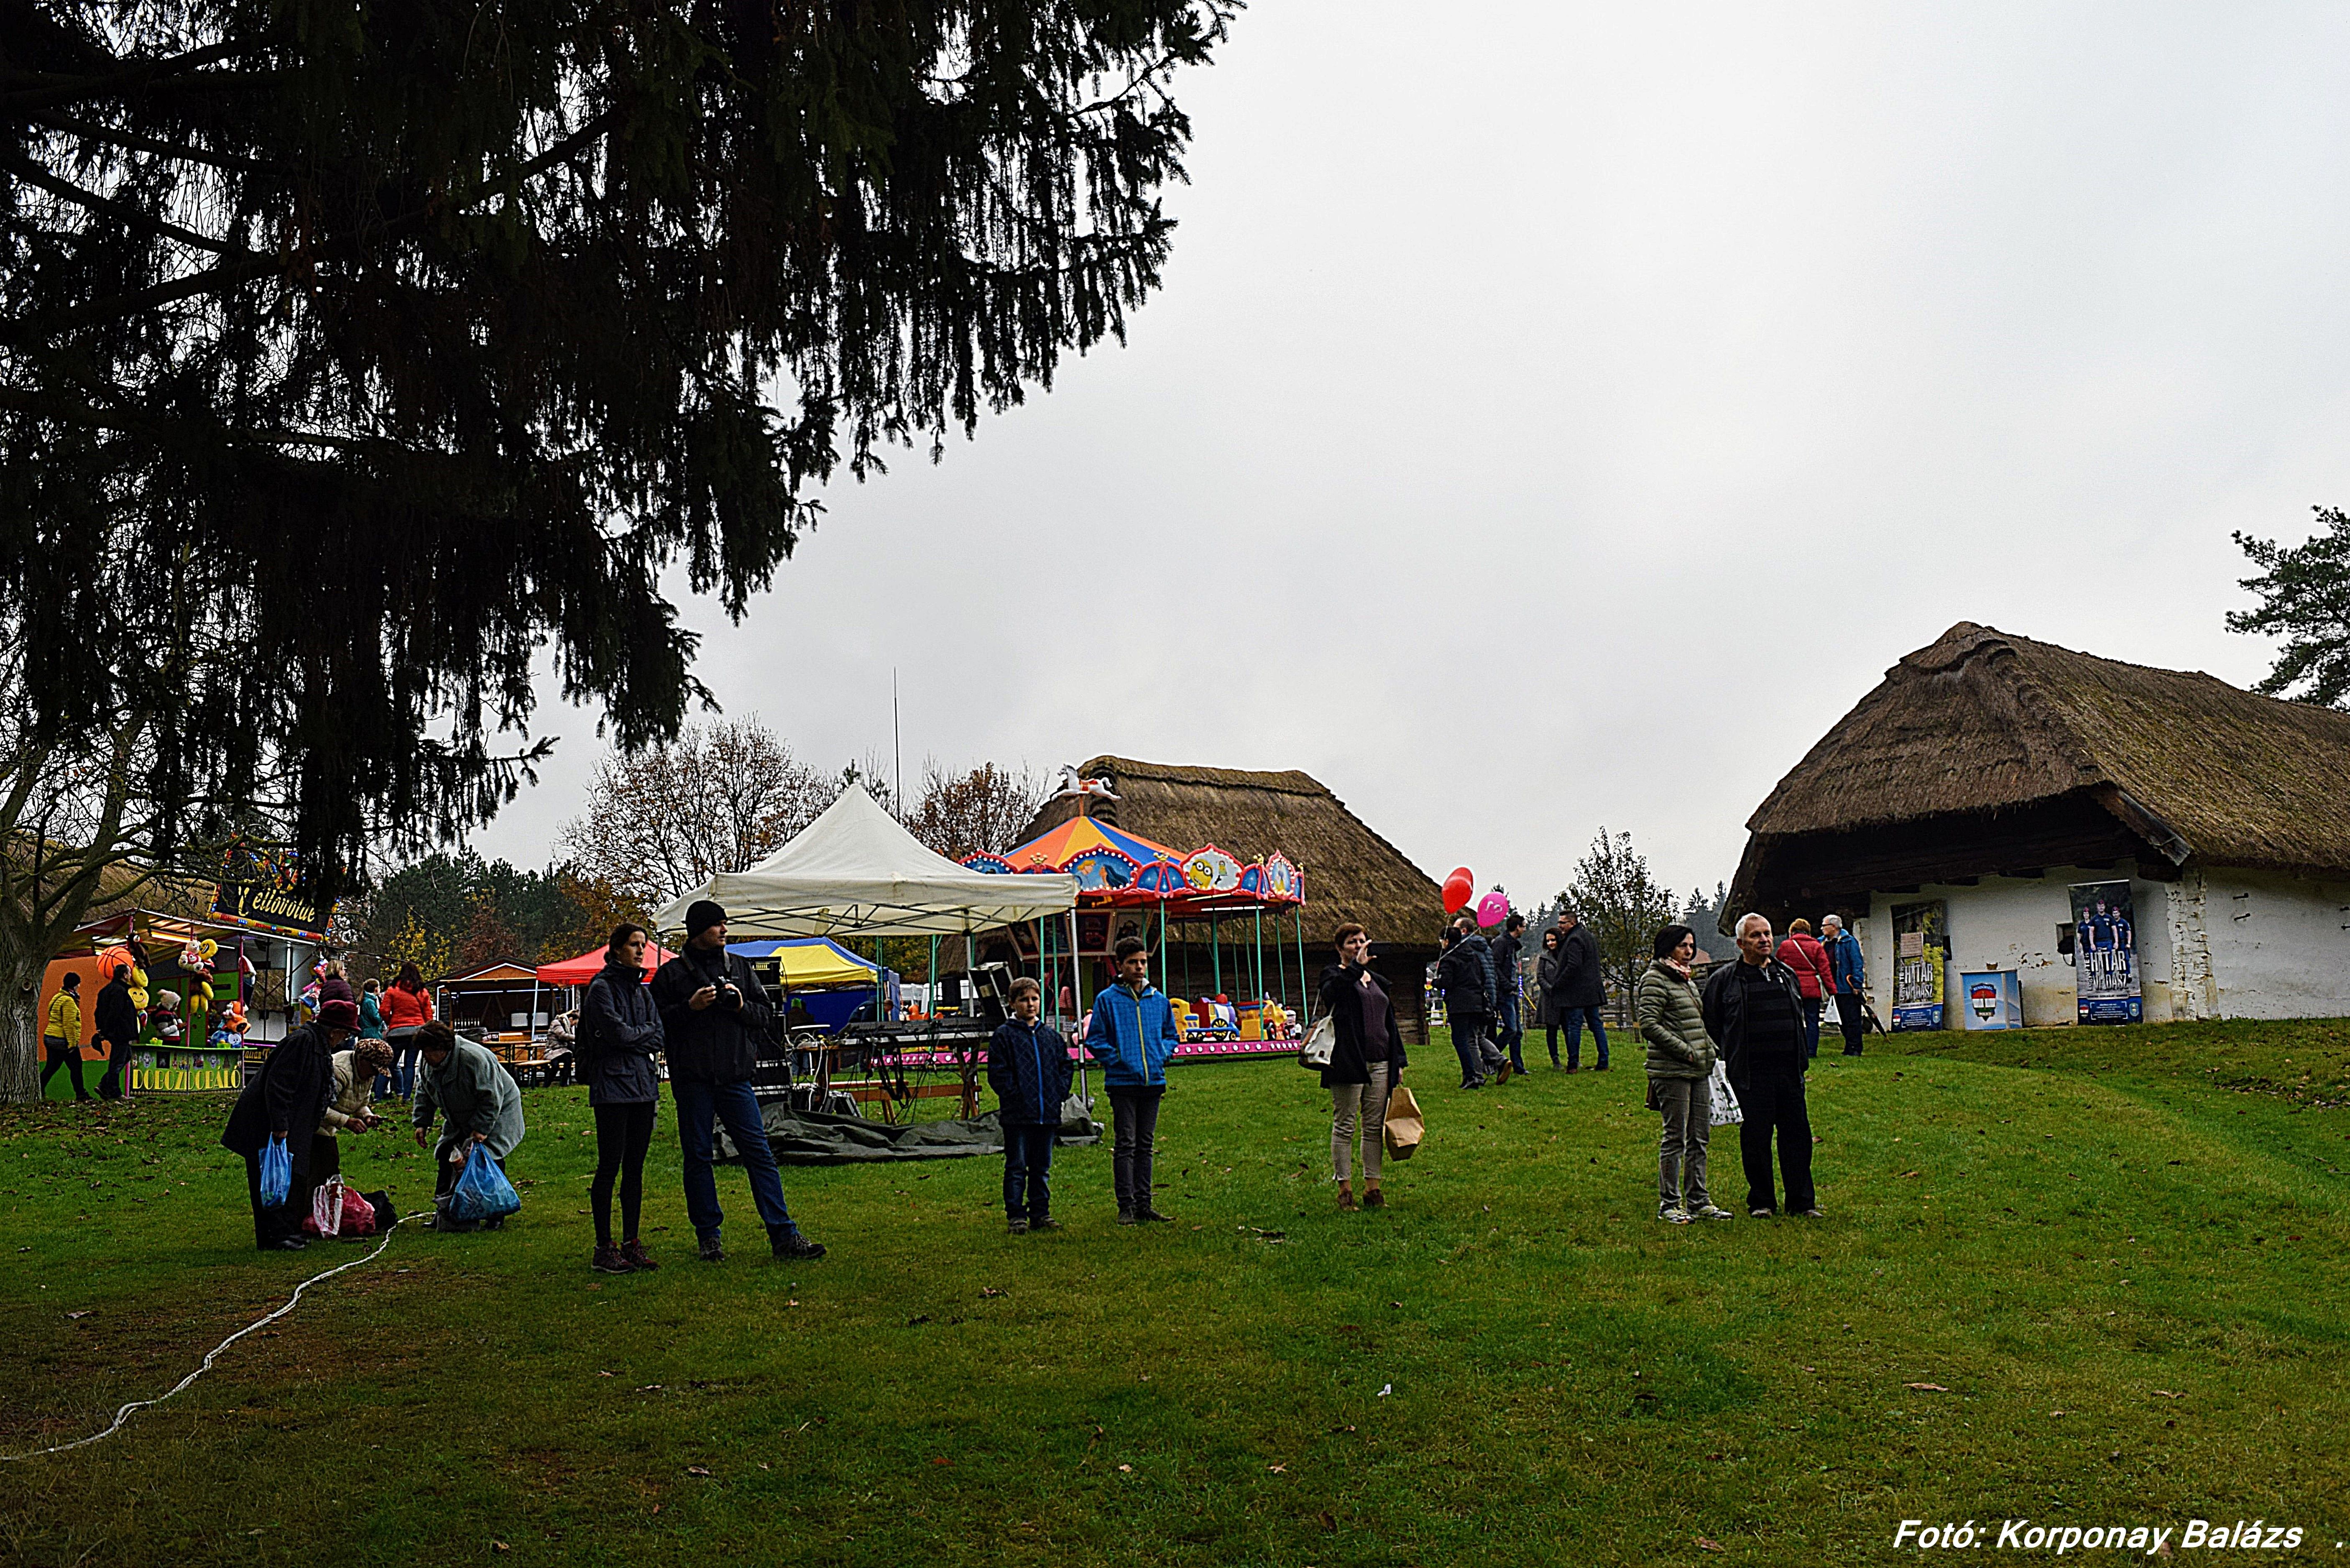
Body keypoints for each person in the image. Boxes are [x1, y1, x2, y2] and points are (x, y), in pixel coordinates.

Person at [652, 900, 825, 1262]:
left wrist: (741, 1007)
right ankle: (709, 1237)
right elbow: (656, 1026)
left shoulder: (741, 969)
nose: (724, 930)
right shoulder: (670, 976)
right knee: (698, 1157)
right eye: (717, 925)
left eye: (724, 924)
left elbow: (766, 1016)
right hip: (693, 1080)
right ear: (698, 931)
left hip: (735, 1078)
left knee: (759, 1153)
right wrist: (690, 1008)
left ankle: (784, 1235)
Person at [1701, 914, 1818, 1218]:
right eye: (1756, 936)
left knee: (1797, 1138)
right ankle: (1762, 1202)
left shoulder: (1786, 974)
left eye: (1767, 934)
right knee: (1756, 1140)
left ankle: (1802, 1203)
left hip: (1789, 1072)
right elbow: (1712, 1023)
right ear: (1741, 944)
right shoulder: (1724, 980)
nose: (1764, 940)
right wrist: (1730, 1054)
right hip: (1751, 1075)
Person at [219, 997, 354, 1250]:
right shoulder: (303, 1042)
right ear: (334, 1031)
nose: (345, 1039)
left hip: (293, 1123)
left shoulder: (317, 1045)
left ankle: (286, 1230)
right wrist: (279, 1125)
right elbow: (279, 1084)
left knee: (290, 1178)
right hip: (266, 1123)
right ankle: (272, 1236)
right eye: (345, 1033)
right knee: (270, 1181)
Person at [581, 924, 666, 1273]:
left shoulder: (642, 992)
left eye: (643, 945)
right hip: (613, 1088)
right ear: (617, 949)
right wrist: (640, 1035)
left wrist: (637, 1036)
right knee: (610, 1166)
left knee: (635, 1167)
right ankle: (604, 1246)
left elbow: (659, 1035)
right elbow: (618, 1034)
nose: (640, 951)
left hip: (643, 1087)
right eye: (634, 944)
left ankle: (632, 1240)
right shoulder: (601, 989)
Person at [1082, 935, 1182, 1223]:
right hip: (1123, 1083)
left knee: (1145, 1144)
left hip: (1153, 1081)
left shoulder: (1159, 1000)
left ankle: (1144, 1203)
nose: (1139, 968)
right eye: (1133, 963)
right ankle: (1125, 1205)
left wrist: (1162, 1054)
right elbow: (1096, 1039)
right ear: (1120, 965)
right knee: (1126, 1143)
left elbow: (1171, 1035)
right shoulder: (1107, 1001)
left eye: (1143, 962)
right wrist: (1119, 1059)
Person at [1639, 925, 1730, 1223]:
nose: (1689, 952)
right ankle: (1669, 1204)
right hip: (1671, 1070)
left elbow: (1696, 1022)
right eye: (1683, 946)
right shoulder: (1655, 980)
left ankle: (1699, 1200)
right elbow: (1649, 1024)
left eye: (1692, 946)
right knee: (1675, 1137)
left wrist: (1709, 1049)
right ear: (1668, 948)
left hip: (1699, 1068)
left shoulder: (1686, 980)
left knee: (1699, 1136)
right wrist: (1685, 1051)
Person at [1318, 923, 1407, 1211]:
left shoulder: (1378, 981)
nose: (1358, 945)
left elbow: (1389, 1023)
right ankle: (1345, 1189)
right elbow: (1333, 994)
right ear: (1340, 948)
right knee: (1345, 1124)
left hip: (1381, 1060)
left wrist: (1399, 1060)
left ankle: (1373, 1187)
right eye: (1352, 942)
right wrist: (1355, 967)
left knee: (1373, 1126)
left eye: (1362, 941)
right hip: (1348, 1060)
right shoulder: (1334, 975)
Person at [411, 1020, 526, 1231]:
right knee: (447, 1155)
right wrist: (422, 1122)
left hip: (499, 1109)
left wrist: (482, 1129)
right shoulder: (429, 1063)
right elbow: (424, 1091)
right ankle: (445, 1212)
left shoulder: (474, 1058)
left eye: (428, 1052)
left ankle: (495, 1213)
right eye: (423, 1052)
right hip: (460, 1114)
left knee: (487, 1159)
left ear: (443, 1049)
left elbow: (491, 1097)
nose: (425, 1057)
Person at [987, 976, 1073, 1233]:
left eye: (1035, 999)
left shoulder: (1051, 1037)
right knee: (1017, 1166)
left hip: (1047, 1113)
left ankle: (1040, 1212)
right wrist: (1015, 1097)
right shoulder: (1004, 1036)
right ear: (1013, 1003)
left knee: (1041, 1168)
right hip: (1018, 1115)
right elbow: (998, 1073)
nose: (1030, 1004)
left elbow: (1065, 1066)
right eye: (1024, 1000)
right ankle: (1016, 1215)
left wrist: (1058, 1093)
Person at [314, 1037, 395, 1185]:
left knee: (327, 1170)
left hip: (327, 1128)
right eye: (374, 1069)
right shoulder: (339, 1071)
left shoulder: (367, 1074)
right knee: (322, 1171)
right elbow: (317, 1107)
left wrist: (368, 1116)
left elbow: (361, 1103)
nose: (375, 1074)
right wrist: (346, 1122)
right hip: (310, 1128)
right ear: (362, 1060)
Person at [1435, 917, 1502, 1089]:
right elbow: (1482, 976)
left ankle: (1471, 1075)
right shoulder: (1472, 955)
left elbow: (1447, 982)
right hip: (1477, 1002)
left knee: (1460, 1040)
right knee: (1472, 1038)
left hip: (1459, 1004)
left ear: (1447, 941)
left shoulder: (1449, 958)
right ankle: (1476, 1075)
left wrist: (1435, 982)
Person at [1547, 909, 1609, 1071]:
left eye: (1563, 923)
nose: (1560, 926)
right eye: (1559, 922)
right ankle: (1604, 1061)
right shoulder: (1588, 937)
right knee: (1596, 1024)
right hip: (1592, 991)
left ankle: (1573, 1063)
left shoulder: (1574, 940)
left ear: (1572, 923)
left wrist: (1559, 983)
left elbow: (1574, 965)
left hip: (1577, 993)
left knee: (1574, 1026)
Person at [1775, 918, 1836, 1062]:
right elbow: (1825, 970)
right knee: (1812, 1021)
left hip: (1792, 988)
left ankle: (1795, 1049)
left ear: (1792, 931)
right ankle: (1811, 1051)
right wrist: (1832, 990)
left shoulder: (1786, 946)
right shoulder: (1816, 946)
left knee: (1793, 1020)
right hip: (1812, 989)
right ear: (1808, 932)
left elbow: (1778, 966)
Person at [383, 962, 434, 1098]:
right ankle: (407, 1096)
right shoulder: (422, 991)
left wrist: (392, 1023)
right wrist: (427, 1029)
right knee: (410, 1065)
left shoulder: (392, 990)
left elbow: (384, 1011)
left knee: (389, 1064)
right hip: (416, 1031)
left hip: (397, 1032)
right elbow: (428, 1014)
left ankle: (378, 1095)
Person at [1820, 915, 1867, 1056]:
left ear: (1834, 927)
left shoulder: (1848, 942)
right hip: (1832, 987)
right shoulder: (1821, 943)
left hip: (1847, 986)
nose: (1822, 928)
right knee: (1841, 1020)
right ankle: (1849, 1046)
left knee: (1852, 1019)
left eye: (1824, 925)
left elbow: (1857, 963)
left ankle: (1855, 1048)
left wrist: (1857, 984)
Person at [92, 962, 138, 1101]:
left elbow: (98, 1012)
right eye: (129, 973)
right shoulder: (120, 991)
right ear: (125, 975)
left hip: (114, 1031)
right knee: (117, 1062)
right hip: (120, 1032)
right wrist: (107, 1030)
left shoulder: (105, 991)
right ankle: (114, 1093)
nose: (131, 975)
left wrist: (102, 1029)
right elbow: (115, 1012)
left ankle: (104, 1084)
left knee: (126, 1056)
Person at [41, 973, 89, 1101]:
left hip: (50, 1037)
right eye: (78, 984)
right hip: (62, 1040)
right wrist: (72, 1044)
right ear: (75, 985)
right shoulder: (68, 1001)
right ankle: (81, 1095)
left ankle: (38, 1088)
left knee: (51, 1067)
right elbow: (69, 1024)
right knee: (76, 1067)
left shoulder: (57, 997)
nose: (79, 986)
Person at [1492, 912, 1528, 1076]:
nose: (1525, 929)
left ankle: (1518, 1066)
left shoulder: (1512, 945)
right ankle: (1491, 1056)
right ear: (1517, 927)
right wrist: (1506, 984)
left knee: (1517, 1032)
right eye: (1524, 926)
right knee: (1511, 1029)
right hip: (1504, 992)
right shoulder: (1501, 943)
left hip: (1512, 991)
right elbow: (1496, 967)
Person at [1533, 928, 1566, 1068]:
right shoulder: (1544, 959)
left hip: (1565, 998)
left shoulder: (1566, 956)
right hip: (1549, 999)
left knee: (1568, 1029)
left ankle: (1573, 1057)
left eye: (1553, 940)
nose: (1551, 943)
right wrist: (1550, 989)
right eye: (1548, 941)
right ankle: (1555, 1059)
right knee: (1552, 1030)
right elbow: (1540, 977)